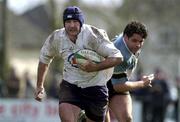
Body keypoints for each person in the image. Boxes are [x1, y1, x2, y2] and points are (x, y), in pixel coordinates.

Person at [34, 6, 123, 122]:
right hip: (71, 85)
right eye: (68, 22)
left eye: (75, 21)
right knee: (67, 118)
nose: (71, 25)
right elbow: (44, 59)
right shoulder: (57, 38)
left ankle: (84, 118)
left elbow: (117, 58)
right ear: (64, 23)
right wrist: (40, 86)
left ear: (81, 22)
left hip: (95, 84)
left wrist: (95, 67)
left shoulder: (93, 36)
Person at [106, 21, 154, 122]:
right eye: (134, 41)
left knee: (126, 118)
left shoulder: (128, 41)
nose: (138, 45)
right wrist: (142, 83)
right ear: (125, 37)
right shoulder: (120, 55)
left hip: (114, 81)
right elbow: (118, 87)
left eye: (141, 41)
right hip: (100, 86)